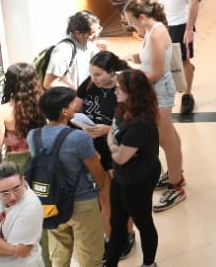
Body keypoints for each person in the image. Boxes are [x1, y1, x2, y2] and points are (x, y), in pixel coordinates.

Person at [29, 87, 107, 266]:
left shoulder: (34, 136)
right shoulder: (79, 137)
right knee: (90, 255)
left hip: (51, 201)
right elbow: (96, 170)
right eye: (73, 103)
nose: (77, 105)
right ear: (64, 111)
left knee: (59, 254)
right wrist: (101, 189)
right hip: (82, 201)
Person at [121, 0, 185, 212]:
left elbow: (156, 73)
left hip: (160, 92)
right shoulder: (150, 31)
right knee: (169, 135)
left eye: (131, 21)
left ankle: (176, 185)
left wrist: (127, 81)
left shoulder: (157, 34)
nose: (131, 25)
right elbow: (147, 57)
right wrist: (131, 58)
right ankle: (176, 172)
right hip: (155, 91)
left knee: (165, 139)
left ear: (142, 17)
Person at [101, 69, 160, 267]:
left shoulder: (140, 123)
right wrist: (115, 148)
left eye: (120, 89)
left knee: (143, 222)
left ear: (133, 93)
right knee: (117, 224)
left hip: (139, 178)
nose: (115, 91)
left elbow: (121, 157)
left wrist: (115, 149)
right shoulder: (123, 108)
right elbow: (111, 132)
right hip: (122, 175)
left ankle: (149, 263)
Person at [75, 51, 128, 252]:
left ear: (112, 72)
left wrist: (108, 129)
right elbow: (75, 109)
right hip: (92, 149)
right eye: (91, 73)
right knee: (104, 196)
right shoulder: (88, 85)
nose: (93, 78)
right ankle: (111, 237)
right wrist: (80, 124)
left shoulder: (123, 89)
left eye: (98, 74)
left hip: (114, 149)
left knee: (122, 197)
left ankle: (126, 234)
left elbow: (133, 122)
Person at [145, 0, 200, 118]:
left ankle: (187, 94)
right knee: (162, 57)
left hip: (180, 22)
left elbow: (194, 1)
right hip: (162, 22)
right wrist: (151, 16)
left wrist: (189, 29)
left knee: (183, 60)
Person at [42, 11, 102, 89]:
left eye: (98, 29)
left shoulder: (90, 45)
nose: (96, 35)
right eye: (91, 33)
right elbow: (49, 83)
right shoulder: (64, 50)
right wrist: (74, 95)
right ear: (77, 33)